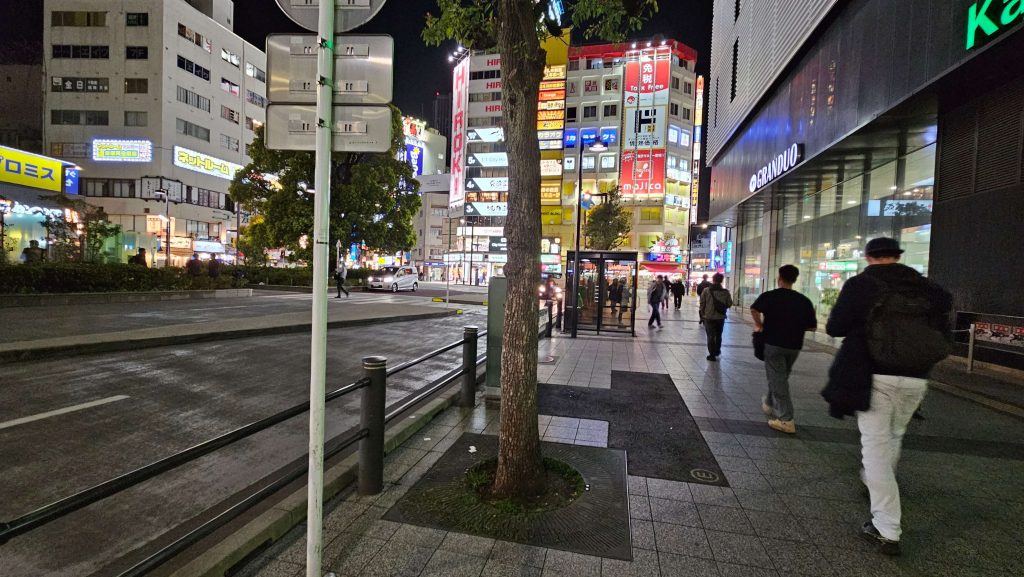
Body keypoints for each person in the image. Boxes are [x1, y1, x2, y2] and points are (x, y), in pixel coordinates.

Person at [822, 237, 952, 556]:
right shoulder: (930, 289)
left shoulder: (861, 285)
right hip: (917, 377)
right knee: (894, 435)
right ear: (897, 256)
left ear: (869, 257)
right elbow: (943, 335)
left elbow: (835, 326)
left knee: (875, 447)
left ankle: (886, 525)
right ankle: (876, 482)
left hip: (875, 374)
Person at [750, 265, 817, 434]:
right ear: (795, 280)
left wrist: (759, 324)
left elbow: (754, 308)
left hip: (773, 343)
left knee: (778, 379)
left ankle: (786, 420)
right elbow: (812, 327)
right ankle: (770, 403)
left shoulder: (771, 296)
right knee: (781, 376)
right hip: (794, 346)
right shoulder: (803, 301)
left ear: (779, 278)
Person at [698, 273, 732, 361]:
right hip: (720, 317)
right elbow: (729, 304)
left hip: (709, 317)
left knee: (710, 336)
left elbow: (702, 304)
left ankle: (712, 355)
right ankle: (717, 350)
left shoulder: (706, 290)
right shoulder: (725, 292)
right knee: (718, 335)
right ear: (722, 280)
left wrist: (702, 314)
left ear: (713, 280)